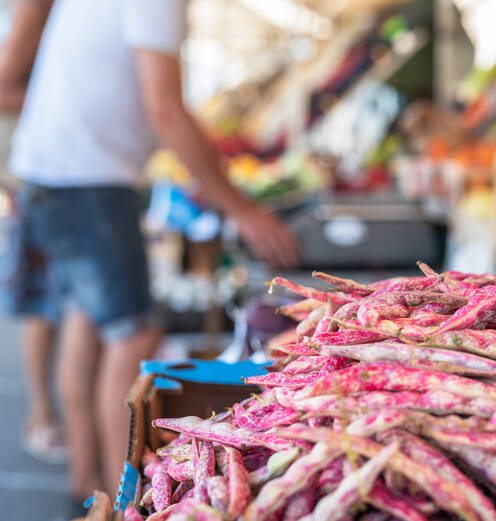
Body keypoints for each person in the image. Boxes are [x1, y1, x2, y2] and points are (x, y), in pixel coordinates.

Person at [4, 0, 298, 500]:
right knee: (134, 336)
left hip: (53, 174)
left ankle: (90, 484)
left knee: (87, 322)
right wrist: (239, 207)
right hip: (88, 182)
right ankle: (127, 499)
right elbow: (164, 108)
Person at [0, 0, 66, 464]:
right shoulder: (31, 7)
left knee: (63, 304)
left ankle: (54, 416)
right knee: (45, 303)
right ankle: (42, 415)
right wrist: (66, 101)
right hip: (38, 174)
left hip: (50, 172)